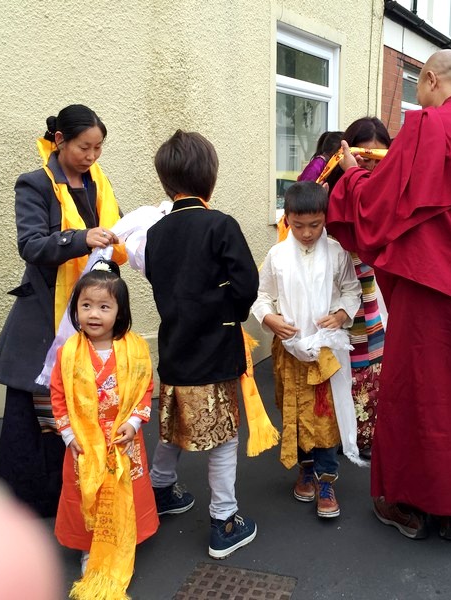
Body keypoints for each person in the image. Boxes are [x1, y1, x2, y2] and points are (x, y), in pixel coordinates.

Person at [327, 49, 451, 541]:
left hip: (430, 287)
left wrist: (351, 175)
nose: (417, 102)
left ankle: (403, 500)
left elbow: (380, 207)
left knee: (418, 396)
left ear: (432, 80)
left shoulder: (431, 127)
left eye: (418, 89)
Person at [0, 104, 125, 517]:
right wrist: (82, 239)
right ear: (60, 140)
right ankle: (31, 504)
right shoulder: (34, 184)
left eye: (98, 148)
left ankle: (84, 491)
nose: (92, 156)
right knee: (37, 412)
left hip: (90, 309)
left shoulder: (100, 184)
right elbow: (30, 245)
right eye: (84, 147)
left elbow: (113, 236)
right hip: (47, 314)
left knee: (85, 404)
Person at [145, 130, 259, 559]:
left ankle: (159, 491)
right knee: (224, 438)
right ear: (210, 177)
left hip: (174, 345)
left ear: (165, 181)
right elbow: (247, 284)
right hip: (215, 347)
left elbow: (157, 280)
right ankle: (223, 520)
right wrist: (231, 312)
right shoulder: (220, 224)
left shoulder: (156, 232)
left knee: (173, 424)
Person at [252, 181, 362, 519]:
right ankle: (306, 468)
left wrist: (341, 314)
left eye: (315, 224)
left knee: (325, 417)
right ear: (287, 219)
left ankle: (326, 481)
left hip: (325, 351)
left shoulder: (337, 252)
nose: (307, 233)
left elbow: (352, 290)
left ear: (325, 218)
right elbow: (262, 296)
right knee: (297, 414)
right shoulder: (277, 256)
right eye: (299, 225)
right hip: (290, 349)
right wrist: (269, 318)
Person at [49, 260, 158, 598]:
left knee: (128, 490)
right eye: (86, 305)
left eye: (104, 306)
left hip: (123, 439)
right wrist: (69, 435)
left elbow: (145, 389)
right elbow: (58, 395)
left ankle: (124, 539)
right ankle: (90, 547)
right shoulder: (68, 352)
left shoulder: (135, 349)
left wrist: (134, 422)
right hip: (84, 442)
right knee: (87, 494)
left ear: (120, 311)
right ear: (75, 309)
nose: (93, 314)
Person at [326, 117, 391, 458]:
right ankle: (332, 436)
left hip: (370, 289)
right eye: (363, 158)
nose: (369, 167)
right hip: (334, 290)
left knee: (369, 362)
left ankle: (364, 436)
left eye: (378, 158)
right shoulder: (330, 190)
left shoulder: (388, 190)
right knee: (335, 360)